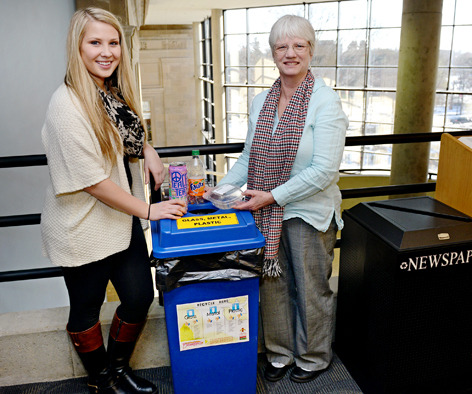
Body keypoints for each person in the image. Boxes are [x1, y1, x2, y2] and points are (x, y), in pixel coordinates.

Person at [40, 7, 187, 394]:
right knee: (86, 309)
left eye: (113, 42)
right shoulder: (66, 105)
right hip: (84, 224)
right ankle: (101, 379)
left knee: (139, 298)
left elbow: (126, 138)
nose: (107, 51)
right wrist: (150, 209)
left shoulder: (110, 88)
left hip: (120, 221)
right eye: (95, 42)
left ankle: (118, 370)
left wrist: (148, 150)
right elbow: (92, 182)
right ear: (77, 47)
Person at [217, 15, 348, 383]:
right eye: (281, 47)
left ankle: (313, 356)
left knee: (310, 290)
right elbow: (248, 158)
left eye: (298, 45)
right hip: (265, 211)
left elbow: (324, 171)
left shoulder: (325, 102)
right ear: (273, 53)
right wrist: (219, 191)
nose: (290, 53)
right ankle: (279, 353)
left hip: (307, 211)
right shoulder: (262, 101)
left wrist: (271, 197)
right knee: (271, 286)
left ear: (310, 50)